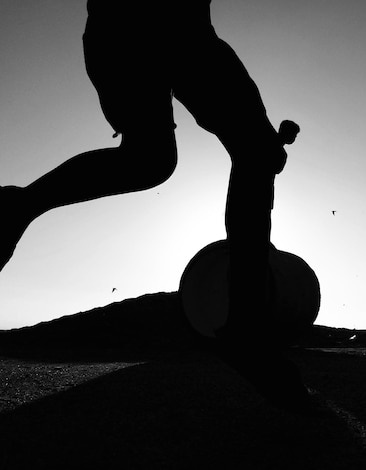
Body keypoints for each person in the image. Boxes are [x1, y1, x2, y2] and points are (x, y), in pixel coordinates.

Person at [0, 0, 311, 412]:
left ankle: (245, 328)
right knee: (152, 160)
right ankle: (19, 206)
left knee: (253, 153)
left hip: (186, 33)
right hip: (124, 25)